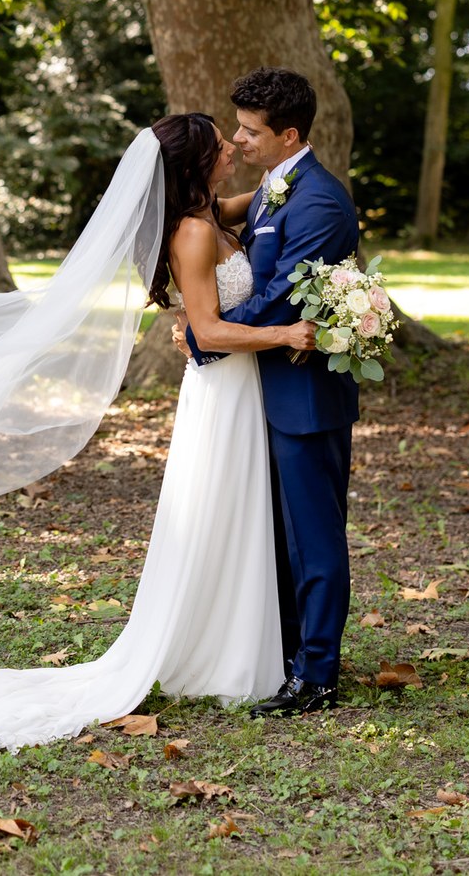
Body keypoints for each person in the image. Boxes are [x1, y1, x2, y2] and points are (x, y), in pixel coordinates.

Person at [0, 113, 313, 750]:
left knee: (232, 514)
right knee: (222, 511)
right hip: (224, 384)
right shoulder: (193, 232)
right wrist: (285, 333)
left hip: (237, 388)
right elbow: (207, 330)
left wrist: (297, 180)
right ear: (195, 163)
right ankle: (220, 653)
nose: (232, 151)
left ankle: (236, 641)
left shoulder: (210, 214)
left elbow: (264, 200)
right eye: (219, 144)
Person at [174, 67, 361, 717]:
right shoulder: (272, 191)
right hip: (261, 392)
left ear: (289, 135)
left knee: (313, 539)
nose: (238, 139)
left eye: (250, 132)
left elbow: (278, 295)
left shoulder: (319, 204)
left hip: (304, 397)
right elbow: (210, 229)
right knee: (276, 539)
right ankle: (284, 653)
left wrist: (205, 335)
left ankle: (316, 675)